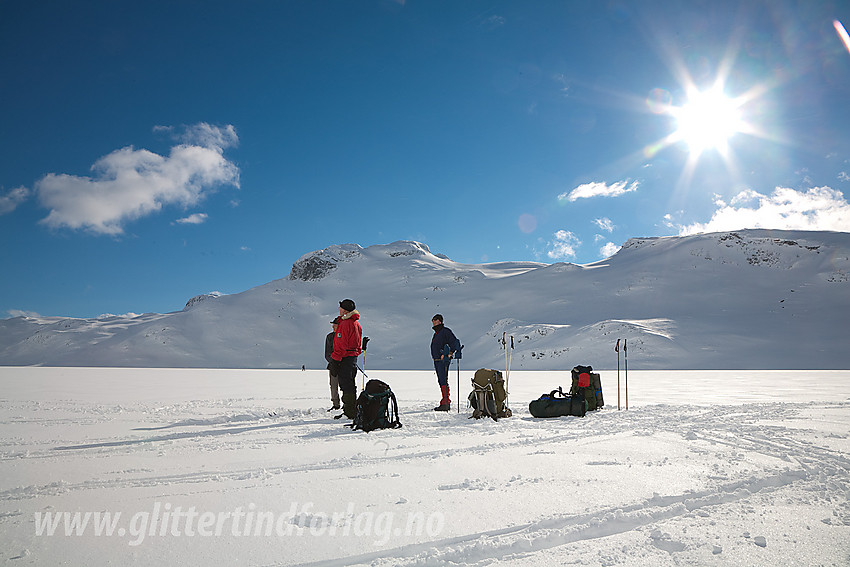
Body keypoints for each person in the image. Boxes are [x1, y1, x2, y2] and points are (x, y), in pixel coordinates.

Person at [329, 299, 362, 419]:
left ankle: (349, 412)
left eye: (341, 308)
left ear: (345, 310)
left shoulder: (346, 323)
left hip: (345, 358)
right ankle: (351, 409)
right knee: (350, 383)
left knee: (346, 383)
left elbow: (341, 345)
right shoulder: (356, 323)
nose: (339, 310)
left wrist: (335, 360)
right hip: (351, 357)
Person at [430, 314, 461, 411]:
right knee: (441, 380)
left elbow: (454, 342)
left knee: (443, 379)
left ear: (439, 321)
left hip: (443, 360)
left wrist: (449, 353)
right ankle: (445, 401)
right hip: (437, 360)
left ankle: (446, 402)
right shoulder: (437, 333)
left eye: (434, 320)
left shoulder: (445, 331)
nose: (433, 322)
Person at [324, 318, 341, 410]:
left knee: (345, 385)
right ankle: (336, 404)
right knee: (333, 385)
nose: (333, 326)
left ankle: (347, 405)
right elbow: (327, 353)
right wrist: (333, 362)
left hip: (344, 365)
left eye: (335, 325)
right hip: (333, 365)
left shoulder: (344, 336)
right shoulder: (329, 337)